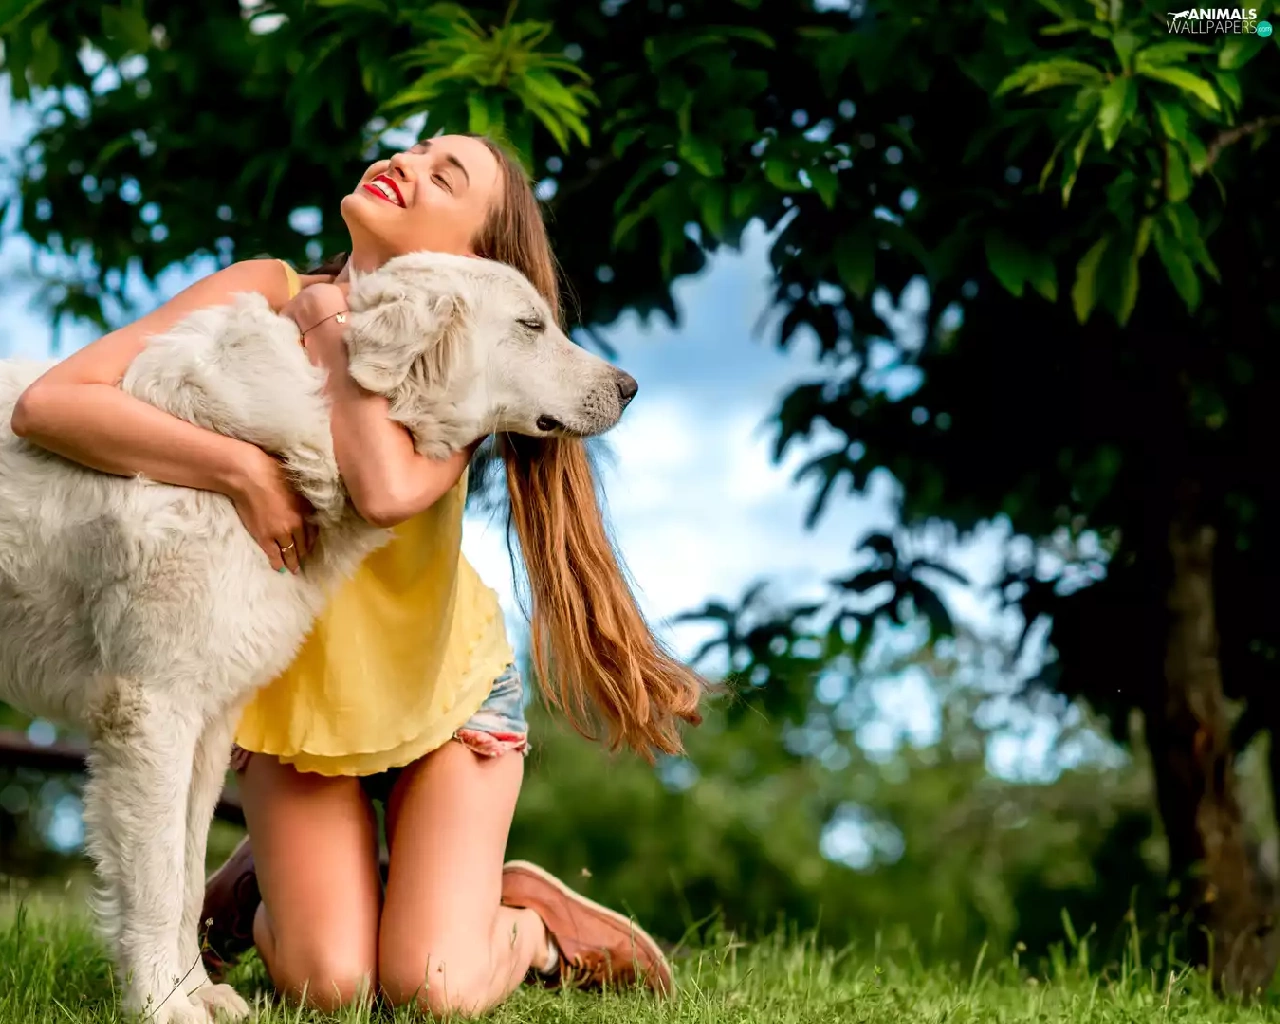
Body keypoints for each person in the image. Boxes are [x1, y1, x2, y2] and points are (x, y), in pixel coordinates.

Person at [10, 133, 704, 1015]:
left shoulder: (452, 374)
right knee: (331, 985)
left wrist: (331, 321)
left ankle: (520, 922)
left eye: (445, 176)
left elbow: (377, 489)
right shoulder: (264, 291)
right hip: (304, 713)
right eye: (415, 149)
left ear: (473, 262)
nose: (407, 163)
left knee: (432, 987)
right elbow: (47, 404)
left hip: (438, 702)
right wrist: (241, 470)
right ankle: (258, 901)